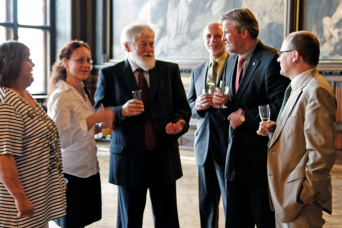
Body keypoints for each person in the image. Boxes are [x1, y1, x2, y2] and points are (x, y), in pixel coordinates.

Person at [94, 24, 191, 227]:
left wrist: (179, 123)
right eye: (143, 44)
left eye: (152, 44)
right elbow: (99, 114)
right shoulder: (110, 74)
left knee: (168, 220)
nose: (149, 49)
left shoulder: (169, 70)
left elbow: (183, 108)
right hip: (129, 159)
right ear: (128, 47)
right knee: (130, 220)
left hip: (163, 156)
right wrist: (122, 110)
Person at [213, 8, 290, 228]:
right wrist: (222, 103)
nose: (223, 38)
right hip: (234, 163)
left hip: (261, 165)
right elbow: (229, 108)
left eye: (227, 32)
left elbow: (281, 106)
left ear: (244, 32)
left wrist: (246, 116)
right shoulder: (229, 61)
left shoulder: (271, 59)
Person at [257, 31, 337, 228]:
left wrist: (304, 196)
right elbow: (301, 131)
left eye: (281, 53)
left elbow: (321, 153)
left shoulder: (316, 90)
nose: (277, 59)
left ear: (295, 55)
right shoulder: (298, 87)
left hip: (300, 202)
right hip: (287, 197)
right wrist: (275, 130)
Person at [47, 40, 114, 228]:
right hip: (71, 173)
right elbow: (60, 140)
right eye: (80, 60)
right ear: (66, 62)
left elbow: (85, 131)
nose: (86, 65)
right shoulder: (61, 96)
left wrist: (103, 125)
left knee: (83, 222)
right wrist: (94, 119)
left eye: (89, 60)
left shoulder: (82, 90)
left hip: (89, 168)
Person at [0, 41, 66, 227]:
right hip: (17, 210)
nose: (33, 64)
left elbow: (41, 144)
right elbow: (4, 157)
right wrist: (20, 198)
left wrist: (57, 179)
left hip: (37, 196)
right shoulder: (7, 104)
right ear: (11, 64)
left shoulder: (25, 95)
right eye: (27, 59)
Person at [187, 22, 229, 228]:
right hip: (204, 145)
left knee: (232, 204)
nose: (213, 41)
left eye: (218, 36)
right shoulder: (198, 70)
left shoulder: (236, 65)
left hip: (229, 144)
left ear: (225, 38)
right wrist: (198, 106)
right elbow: (189, 105)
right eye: (209, 37)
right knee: (207, 204)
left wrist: (226, 104)